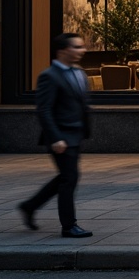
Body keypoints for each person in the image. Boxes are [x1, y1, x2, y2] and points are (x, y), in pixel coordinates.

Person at [18, 32, 93, 238]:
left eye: (82, 46)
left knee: (65, 177)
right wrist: (55, 137)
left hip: (76, 133)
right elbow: (44, 110)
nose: (82, 50)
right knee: (69, 179)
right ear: (62, 51)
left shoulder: (79, 73)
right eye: (77, 47)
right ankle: (69, 226)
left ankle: (29, 206)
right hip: (61, 136)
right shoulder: (49, 76)